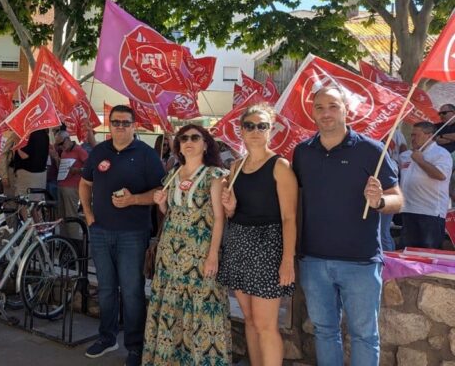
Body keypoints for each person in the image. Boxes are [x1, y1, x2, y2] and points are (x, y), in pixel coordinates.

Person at [292, 85, 402, 366]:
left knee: (364, 335)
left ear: (346, 110)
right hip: (313, 260)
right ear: (312, 112)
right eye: (319, 107)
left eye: (333, 106)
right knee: (324, 331)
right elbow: (295, 200)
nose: (326, 113)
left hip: (360, 261)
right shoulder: (302, 152)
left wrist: (379, 201)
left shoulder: (371, 150)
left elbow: (398, 199)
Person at [79, 105, 165, 366]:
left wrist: (133, 200)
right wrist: (88, 215)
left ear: (133, 126)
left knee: (132, 291)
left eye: (125, 123)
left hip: (133, 234)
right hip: (100, 231)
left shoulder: (147, 154)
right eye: (115, 122)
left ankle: (135, 347)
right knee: (105, 289)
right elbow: (85, 183)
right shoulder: (99, 152)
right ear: (109, 124)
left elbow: (160, 193)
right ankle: (107, 337)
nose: (120, 127)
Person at [142, 124, 230, 365]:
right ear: (178, 146)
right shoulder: (173, 173)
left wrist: (213, 255)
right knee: (172, 308)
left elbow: (219, 218)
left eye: (195, 137)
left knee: (200, 307)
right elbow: (171, 212)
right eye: (183, 138)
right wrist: (161, 203)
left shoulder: (215, 176)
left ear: (206, 144)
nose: (188, 142)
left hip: (199, 254)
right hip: (169, 254)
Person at [218, 104, 297, 366]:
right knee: (250, 320)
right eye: (249, 125)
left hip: (267, 248)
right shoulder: (236, 167)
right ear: (241, 130)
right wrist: (230, 208)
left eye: (262, 126)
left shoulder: (280, 166)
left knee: (265, 325)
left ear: (270, 130)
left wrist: (287, 260)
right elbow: (233, 213)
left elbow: (289, 217)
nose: (255, 130)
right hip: (239, 244)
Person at [399, 121, 452, 249]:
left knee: (428, 254)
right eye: (411, 135)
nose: (412, 138)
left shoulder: (441, 153)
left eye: (416, 135)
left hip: (430, 212)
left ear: (430, 136)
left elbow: (441, 175)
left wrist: (420, 161)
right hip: (408, 210)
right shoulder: (405, 156)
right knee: (407, 253)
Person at [54, 130, 88, 238]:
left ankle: (74, 242)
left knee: (71, 216)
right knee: (61, 217)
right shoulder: (64, 152)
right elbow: (63, 169)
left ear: (68, 139)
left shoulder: (79, 150)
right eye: (58, 145)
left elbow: (90, 167)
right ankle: (65, 241)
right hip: (61, 186)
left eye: (61, 143)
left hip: (72, 188)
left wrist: (78, 170)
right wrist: (57, 160)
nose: (60, 146)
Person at [10, 129, 49, 198]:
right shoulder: (44, 134)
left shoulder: (29, 134)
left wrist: (17, 142)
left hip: (27, 175)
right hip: (41, 174)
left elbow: (24, 155)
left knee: (24, 200)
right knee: (37, 201)